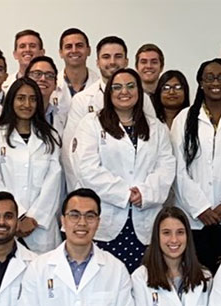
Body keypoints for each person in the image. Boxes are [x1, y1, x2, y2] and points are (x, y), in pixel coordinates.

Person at [73, 68, 176, 271]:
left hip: (145, 220)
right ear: (109, 93)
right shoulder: (91, 124)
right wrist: (124, 194)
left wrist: (145, 194)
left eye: (131, 86)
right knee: (105, 281)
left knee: (144, 282)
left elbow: (166, 168)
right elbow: (86, 168)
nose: (124, 92)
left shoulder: (157, 127)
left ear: (139, 92)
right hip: (107, 218)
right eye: (117, 87)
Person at [172, 59, 221, 268]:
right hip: (194, 219)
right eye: (209, 77)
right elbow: (178, 169)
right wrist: (200, 207)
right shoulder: (184, 118)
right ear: (200, 82)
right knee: (196, 278)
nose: (216, 82)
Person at [0, 78, 64, 253]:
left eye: (32, 99)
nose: (27, 104)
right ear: (11, 100)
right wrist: (17, 216)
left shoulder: (51, 137)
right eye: (20, 98)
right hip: (6, 222)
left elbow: (54, 181)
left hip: (41, 227)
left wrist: (34, 218)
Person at [63, 35, 132, 139]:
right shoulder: (81, 100)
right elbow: (70, 144)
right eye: (106, 57)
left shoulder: (142, 97)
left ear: (126, 62)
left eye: (118, 56)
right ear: (98, 63)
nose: (112, 62)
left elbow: (153, 136)